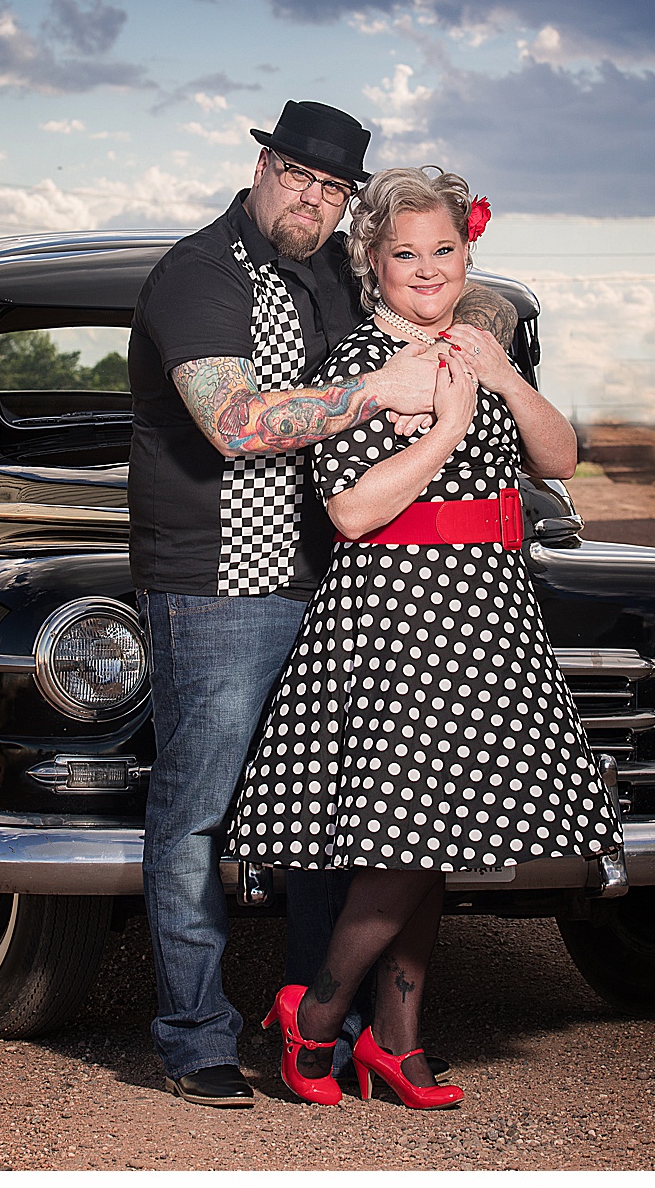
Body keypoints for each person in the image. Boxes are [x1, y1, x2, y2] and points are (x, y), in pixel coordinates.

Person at [228, 166, 624, 1109]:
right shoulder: (358, 365)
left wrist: (500, 379)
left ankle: (397, 1043)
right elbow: (353, 511)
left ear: (467, 252)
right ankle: (316, 1016)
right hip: (395, 611)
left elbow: (561, 459)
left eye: (442, 249)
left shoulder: (483, 346)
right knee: (403, 838)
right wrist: (444, 430)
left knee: (438, 836)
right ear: (371, 260)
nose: (426, 268)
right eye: (404, 252)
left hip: (489, 608)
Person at [129, 101, 442, 1109]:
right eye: (299, 176)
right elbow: (235, 423)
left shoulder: (328, 281)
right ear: (263, 166)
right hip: (215, 590)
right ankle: (194, 1035)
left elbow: (412, 320)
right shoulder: (199, 273)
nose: (313, 198)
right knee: (197, 819)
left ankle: (325, 1026)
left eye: (335, 187)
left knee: (324, 818)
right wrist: (376, 393)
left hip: (330, 590)